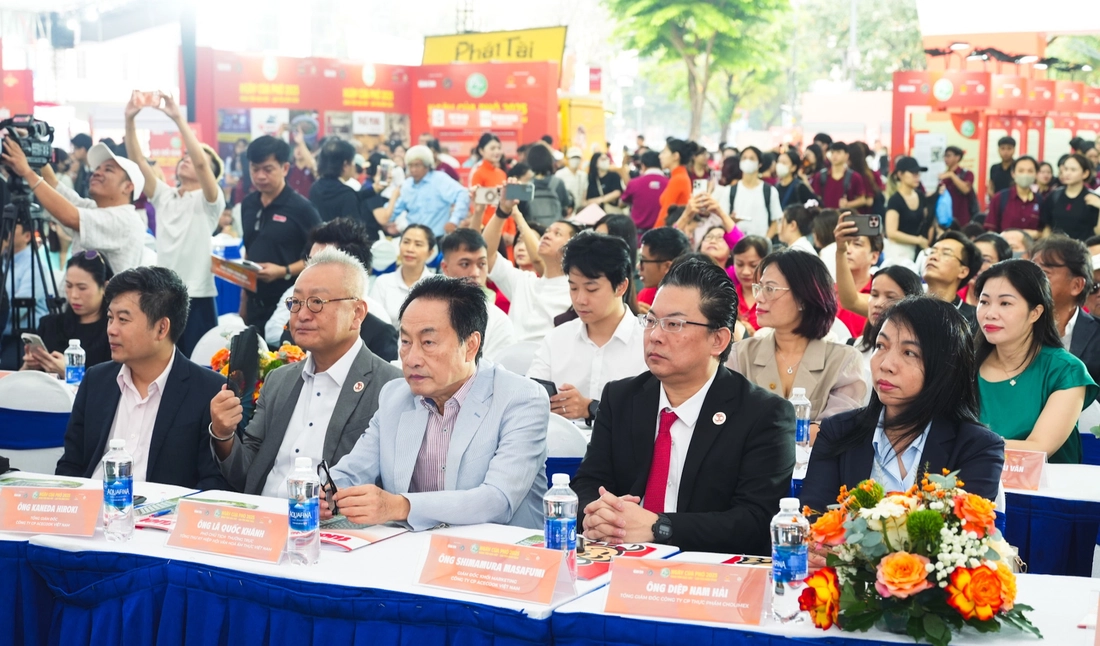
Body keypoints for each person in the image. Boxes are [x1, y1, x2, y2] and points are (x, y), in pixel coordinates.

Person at [571, 258, 795, 554]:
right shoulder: (622, 397)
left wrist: (658, 527)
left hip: (708, 576)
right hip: (621, 564)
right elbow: (588, 482)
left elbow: (755, 522)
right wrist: (597, 514)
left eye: (673, 324)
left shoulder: (763, 414)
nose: (655, 336)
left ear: (718, 340)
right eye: (650, 321)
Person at [325, 276, 549, 529]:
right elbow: (353, 471)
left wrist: (400, 506)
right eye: (406, 342)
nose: (412, 359)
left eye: (428, 343)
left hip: (498, 556)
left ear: (471, 346)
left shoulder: (521, 398)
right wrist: (327, 493)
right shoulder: (394, 396)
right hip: (412, 550)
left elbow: (497, 500)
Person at [209, 247, 402, 496]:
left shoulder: (390, 387)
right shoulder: (279, 380)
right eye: (296, 302)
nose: (301, 314)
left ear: (357, 313)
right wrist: (223, 435)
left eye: (317, 303)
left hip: (331, 527)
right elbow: (247, 474)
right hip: (264, 518)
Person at [801, 297, 1005, 516]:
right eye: (881, 346)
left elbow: (966, 536)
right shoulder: (838, 431)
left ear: (946, 366)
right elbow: (814, 519)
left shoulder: (976, 447)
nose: (886, 364)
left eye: (909, 353)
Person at [55, 267, 228, 489]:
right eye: (110, 318)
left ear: (161, 328)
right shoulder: (96, 381)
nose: (111, 329)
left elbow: (213, 483)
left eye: (123, 319)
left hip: (164, 517)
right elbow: (70, 466)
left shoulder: (208, 391)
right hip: (92, 510)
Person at [124, 91, 225, 358]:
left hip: (198, 294)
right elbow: (138, 163)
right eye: (185, 157)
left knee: (199, 363)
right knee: (163, 362)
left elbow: (203, 164)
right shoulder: (165, 195)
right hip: (164, 293)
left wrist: (178, 118)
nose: (188, 159)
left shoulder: (209, 200)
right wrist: (129, 120)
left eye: (194, 158)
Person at [728, 249, 865, 435]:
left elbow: (835, 431)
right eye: (759, 288)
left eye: (770, 289)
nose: (759, 297)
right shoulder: (740, 354)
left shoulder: (843, 361)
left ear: (803, 298)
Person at [975, 259, 1098, 464]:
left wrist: (962, 444)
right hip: (968, 489)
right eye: (984, 302)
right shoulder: (964, 364)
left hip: (1046, 492)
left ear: (1035, 313)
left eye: (1005, 303)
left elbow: (1038, 449)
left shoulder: (1066, 370)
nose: (990, 314)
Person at [529, 232, 646, 422]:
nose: (580, 299)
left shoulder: (647, 343)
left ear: (621, 287)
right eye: (573, 288)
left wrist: (591, 408)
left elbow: (651, 413)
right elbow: (528, 397)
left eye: (592, 289)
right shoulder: (557, 339)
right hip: (559, 446)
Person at [2, 139, 146, 274]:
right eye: (97, 168)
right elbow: (54, 185)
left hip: (106, 301)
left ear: (128, 187)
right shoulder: (96, 209)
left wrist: (27, 172)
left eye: (108, 170)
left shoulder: (125, 220)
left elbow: (70, 217)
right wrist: (33, 146)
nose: (96, 173)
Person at [265, 218, 399, 362]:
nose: (310, 271)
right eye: (309, 262)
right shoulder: (297, 321)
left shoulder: (378, 330)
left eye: (320, 263)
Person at [239, 135, 323, 330]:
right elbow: (249, 250)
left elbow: (321, 257)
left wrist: (283, 271)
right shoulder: (248, 204)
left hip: (289, 307)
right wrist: (243, 303)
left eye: (268, 169)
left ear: (285, 168)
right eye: (254, 169)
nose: (260, 176)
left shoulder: (302, 209)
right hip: (254, 304)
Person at [484, 188, 578, 341]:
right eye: (547, 231)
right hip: (509, 361)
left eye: (557, 233)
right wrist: (502, 211)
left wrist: (517, 215)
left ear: (572, 247)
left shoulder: (576, 291)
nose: (547, 235)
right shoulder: (524, 281)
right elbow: (487, 254)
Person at [22, 252, 112, 377]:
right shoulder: (50, 326)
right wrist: (28, 367)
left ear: (104, 287)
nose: (74, 295)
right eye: (69, 286)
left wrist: (70, 373)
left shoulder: (112, 333)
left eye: (82, 288)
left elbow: (113, 388)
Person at [438, 228, 517, 362]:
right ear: (445, 268)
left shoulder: (499, 322)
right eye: (465, 264)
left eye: (482, 264)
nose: (475, 273)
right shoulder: (424, 311)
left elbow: (493, 375)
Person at [1031, 236, 1100, 385]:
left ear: (1076, 285)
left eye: (1043, 273)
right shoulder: (1013, 327)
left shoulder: (1097, 334)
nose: (1031, 280)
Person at [380, 145, 470, 237]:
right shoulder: (407, 185)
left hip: (438, 238)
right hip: (414, 238)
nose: (413, 169)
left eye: (417, 165)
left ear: (427, 165)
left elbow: (462, 194)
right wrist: (383, 219)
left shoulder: (440, 179)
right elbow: (395, 209)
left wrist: (454, 221)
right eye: (410, 165)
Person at [0, 222, 55, 369]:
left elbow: (19, 310)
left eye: (12, 228)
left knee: (7, 367)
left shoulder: (34, 265)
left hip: (24, 336)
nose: (7, 232)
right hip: (4, 334)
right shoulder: (4, 260)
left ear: (27, 236)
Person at [369, 224, 436, 324]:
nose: (410, 249)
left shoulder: (437, 285)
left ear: (430, 252)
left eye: (418, 244)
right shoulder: (383, 283)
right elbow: (373, 323)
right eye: (406, 242)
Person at [832, 213, 883, 337]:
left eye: (857, 244)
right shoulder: (829, 290)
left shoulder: (879, 294)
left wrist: (840, 252)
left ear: (874, 257)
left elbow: (851, 300)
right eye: (846, 243)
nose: (848, 250)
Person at [923, 231, 982, 329]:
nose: (933, 257)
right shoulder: (906, 307)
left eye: (945, 253)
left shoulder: (973, 319)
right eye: (932, 252)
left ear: (963, 272)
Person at [1040, 153, 1100, 241]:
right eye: (1065, 169)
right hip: (1057, 249)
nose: (1067, 173)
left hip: (1083, 250)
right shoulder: (1054, 196)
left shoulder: (1093, 198)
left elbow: (1097, 233)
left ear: (1085, 173)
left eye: (1073, 170)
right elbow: (1047, 227)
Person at [726, 146, 782, 239]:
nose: (747, 161)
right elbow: (723, 218)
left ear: (759, 163)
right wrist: (731, 221)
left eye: (752, 158)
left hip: (761, 245)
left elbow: (775, 221)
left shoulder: (770, 191)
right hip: (736, 245)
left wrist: (766, 241)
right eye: (744, 158)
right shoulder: (729, 191)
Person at [883, 156, 930, 264]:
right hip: (897, 251)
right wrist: (918, 240)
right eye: (913, 173)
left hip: (916, 251)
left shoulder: (920, 196)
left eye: (918, 173)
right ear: (900, 174)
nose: (917, 176)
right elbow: (891, 233)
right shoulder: (895, 200)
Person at [636, 227, 692, 314]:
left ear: (667, 266)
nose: (638, 266)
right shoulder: (645, 296)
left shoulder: (692, 302)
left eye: (643, 260)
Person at [985, 156, 1041, 236]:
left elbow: (1044, 230)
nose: (1025, 174)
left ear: (1036, 174)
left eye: (1030, 171)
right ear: (1013, 174)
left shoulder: (1040, 200)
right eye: (1021, 171)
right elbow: (991, 230)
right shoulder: (999, 198)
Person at [308, 138, 360, 223]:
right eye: (353, 162)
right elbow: (353, 232)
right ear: (345, 165)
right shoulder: (347, 195)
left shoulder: (314, 187)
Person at [810, 142, 869, 211]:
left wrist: (848, 204)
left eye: (838, 152)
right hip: (825, 217)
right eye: (832, 152)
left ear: (846, 156)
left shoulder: (855, 177)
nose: (834, 155)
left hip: (845, 216)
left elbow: (862, 199)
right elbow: (817, 198)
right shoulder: (820, 176)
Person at [730, 235, 770, 333]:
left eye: (753, 265)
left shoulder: (774, 298)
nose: (745, 272)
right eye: (739, 264)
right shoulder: (728, 297)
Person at [621, 150, 668, 232]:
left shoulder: (634, 183)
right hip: (663, 234)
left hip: (639, 236)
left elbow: (622, 203)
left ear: (643, 165)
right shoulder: (670, 183)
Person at [962, 232, 1012, 306]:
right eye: (972, 258)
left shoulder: (1010, 301)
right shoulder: (952, 296)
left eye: (985, 260)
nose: (975, 264)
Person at [654, 138, 695, 228]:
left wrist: (653, 238)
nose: (660, 156)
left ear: (675, 156)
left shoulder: (678, 179)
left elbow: (665, 213)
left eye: (664, 152)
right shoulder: (679, 176)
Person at [470, 133, 508, 227]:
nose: (497, 151)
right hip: (488, 228)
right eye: (492, 148)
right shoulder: (478, 174)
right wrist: (492, 227)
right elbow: (476, 207)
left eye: (499, 148)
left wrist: (511, 230)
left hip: (504, 226)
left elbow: (507, 203)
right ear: (481, 151)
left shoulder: (502, 174)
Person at [938, 146, 975, 227]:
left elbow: (965, 190)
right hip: (946, 218)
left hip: (962, 219)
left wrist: (951, 175)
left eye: (948, 156)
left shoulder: (967, 174)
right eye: (944, 156)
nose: (945, 159)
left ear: (957, 157)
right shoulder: (943, 176)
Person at [555, 146, 588, 213]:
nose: (575, 160)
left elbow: (584, 196)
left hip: (579, 211)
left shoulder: (583, 175)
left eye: (577, 158)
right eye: (573, 158)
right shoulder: (559, 174)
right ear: (567, 159)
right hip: (565, 212)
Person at [70, 133, 93, 198]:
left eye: (75, 148)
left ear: (82, 150)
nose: (73, 152)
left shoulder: (96, 169)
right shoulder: (81, 168)